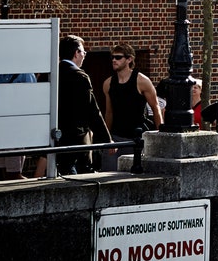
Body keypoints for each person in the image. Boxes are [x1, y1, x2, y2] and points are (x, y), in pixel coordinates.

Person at [56, 35, 110, 175]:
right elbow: (92, 109)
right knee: (81, 175)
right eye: (83, 52)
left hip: (56, 135)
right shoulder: (80, 76)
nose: (84, 55)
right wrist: (106, 138)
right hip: (77, 136)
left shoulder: (52, 74)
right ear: (76, 53)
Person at [102, 42, 163, 140]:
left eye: (118, 57)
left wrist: (161, 134)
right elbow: (109, 112)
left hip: (138, 136)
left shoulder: (142, 81)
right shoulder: (108, 83)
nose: (114, 60)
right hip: (116, 136)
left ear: (129, 59)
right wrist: (108, 138)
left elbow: (156, 108)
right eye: (112, 57)